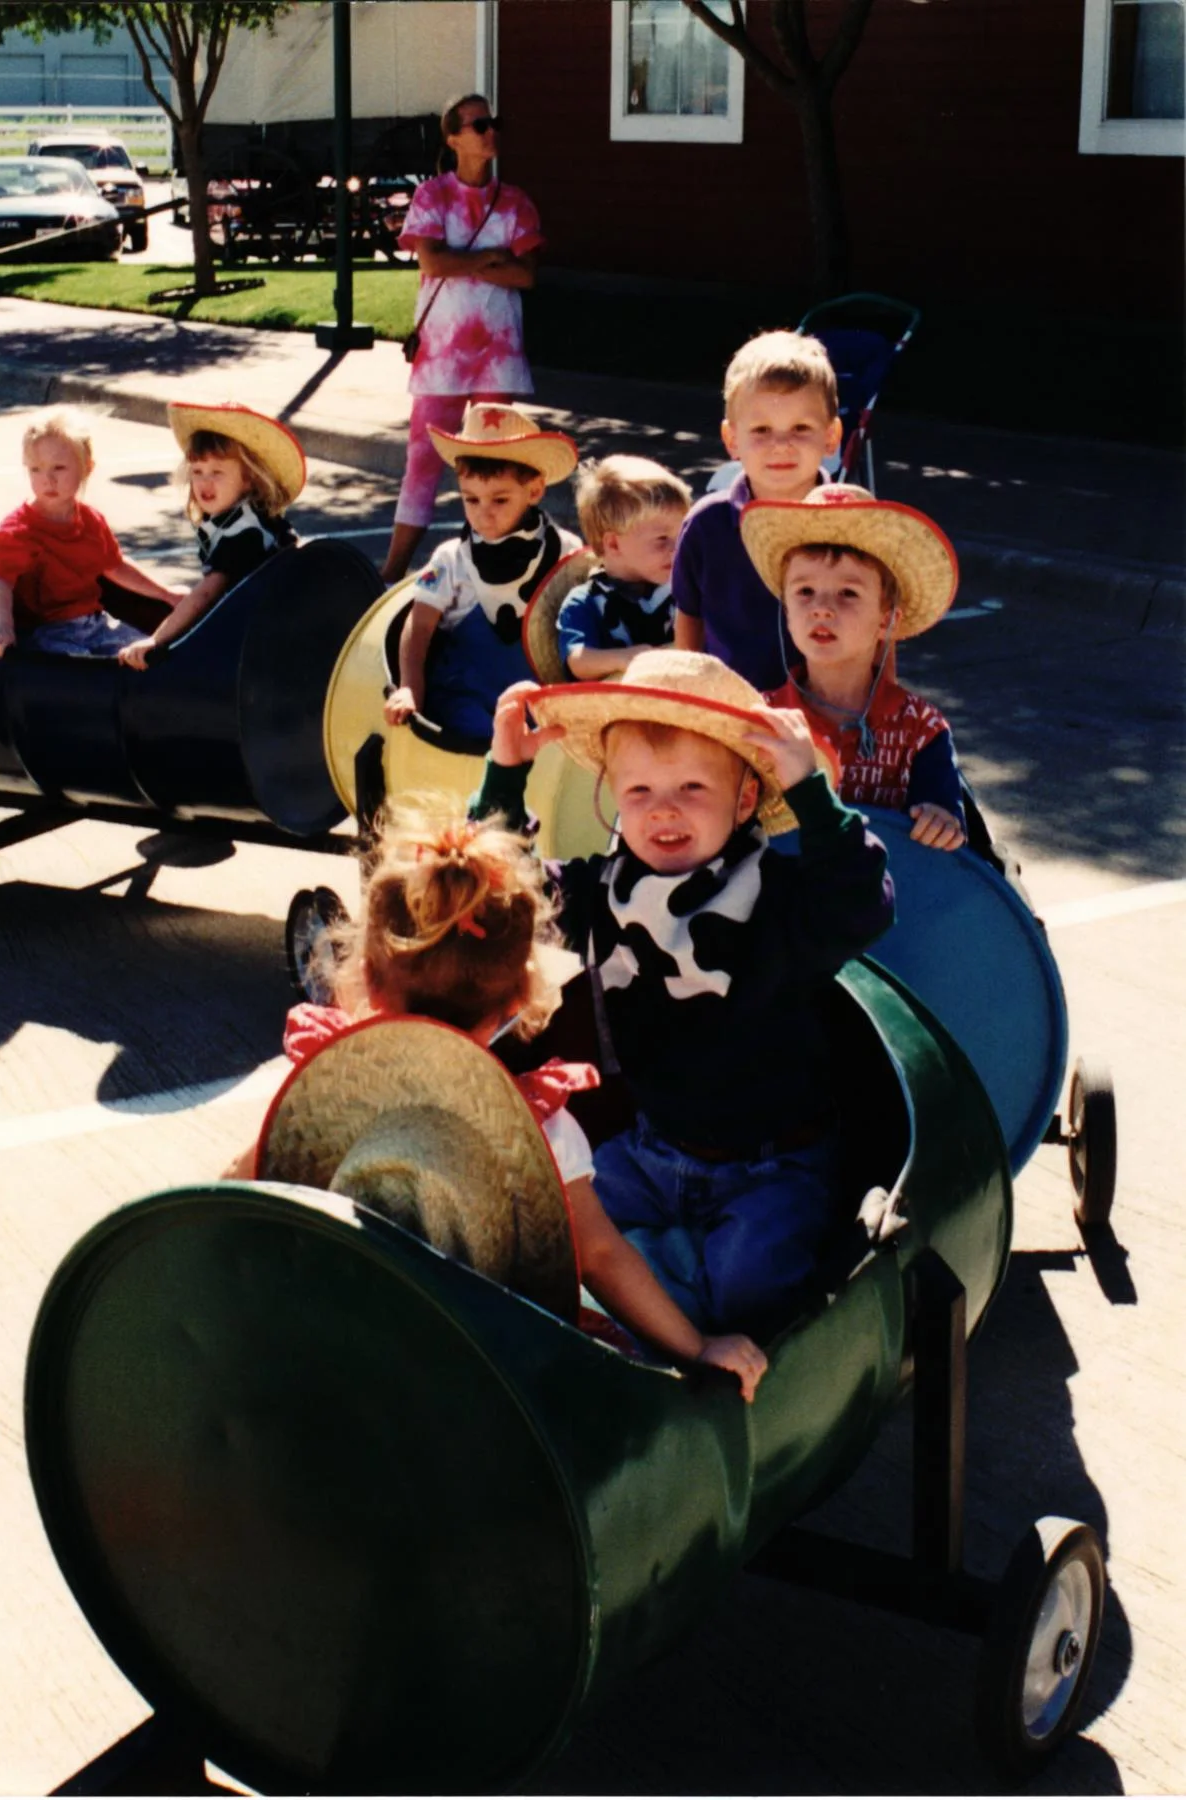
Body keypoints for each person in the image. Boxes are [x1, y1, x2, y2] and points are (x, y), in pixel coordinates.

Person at [225, 793, 767, 1401]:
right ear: (518, 998)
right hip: (479, 1384)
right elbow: (599, 1254)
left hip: (337, 1353)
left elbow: (234, 1188)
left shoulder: (322, 1093)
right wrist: (696, 1346)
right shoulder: (537, 1130)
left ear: (369, 977)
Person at [474, 649, 894, 1341]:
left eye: (693, 788)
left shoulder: (779, 898)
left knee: (749, 1291)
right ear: (613, 796)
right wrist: (505, 772)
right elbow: (500, 894)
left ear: (745, 799)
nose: (663, 810)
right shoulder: (604, 891)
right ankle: (662, 1282)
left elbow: (862, 905)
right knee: (547, 1231)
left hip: (773, 1165)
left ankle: (670, 1288)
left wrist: (812, 794)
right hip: (653, 1149)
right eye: (638, 791)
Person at [744, 485, 967, 849]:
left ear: (886, 620)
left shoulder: (922, 729)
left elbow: (948, 840)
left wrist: (941, 821)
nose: (821, 608)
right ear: (786, 611)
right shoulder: (760, 722)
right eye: (804, 592)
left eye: (848, 593)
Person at [381, 94, 544, 586]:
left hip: (497, 354)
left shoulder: (515, 201)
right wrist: (492, 258)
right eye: (478, 125)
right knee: (423, 460)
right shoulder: (432, 196)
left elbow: (526, 276)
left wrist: (465, 263)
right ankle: (392, 571)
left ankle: (491, 569)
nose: (490, 132)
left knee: (494, 465)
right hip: (441, 354)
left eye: (494, 122)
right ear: (452, 139)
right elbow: (432, 262)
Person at [383, 403, 581, 740]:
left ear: (534, 491)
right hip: (465, 698)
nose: (483, 514)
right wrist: (410, 687)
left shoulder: (565, 550)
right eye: (471, 500)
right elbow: (419, 625)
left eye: (500, 500)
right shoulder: (451, 558)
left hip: (537, 697)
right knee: (489, 740)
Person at [672, 329, 841, 691]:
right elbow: (689, 618)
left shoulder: (853, 524)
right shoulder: (706, 526)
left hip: (830, 710)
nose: (781, 444)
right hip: (732, 708)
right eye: (761, 430)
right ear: (732, 439)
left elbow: (881, 628)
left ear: (831, 436)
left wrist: (882, 705)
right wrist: (687, 698)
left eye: (801, 428)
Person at [118, 401, 303, 671]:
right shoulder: (240, 514)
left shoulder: (245, 529)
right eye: (197, 471)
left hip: (266, 631)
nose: (205, 482)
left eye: (217, 472)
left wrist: (156, 640)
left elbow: (207, 593)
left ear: (249, 478)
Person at [0, 408, 180, 659]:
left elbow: (115, 566)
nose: (47, 479)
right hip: (48, 631)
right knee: (81, 669)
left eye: (59, 468)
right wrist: (2, 626)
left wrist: (166, 594)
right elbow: (1, 583)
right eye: (35, 469)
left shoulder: (91, 520)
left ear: (86, 468)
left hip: (96, 623)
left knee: (145, 654)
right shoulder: (18, 532)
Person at [556, 455, 692, 680]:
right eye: (662, 539)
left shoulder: (682, 588)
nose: (676, 549)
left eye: (681, 536)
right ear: (613, 544)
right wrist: (623, 658)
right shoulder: (586, 601)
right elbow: (578, 659)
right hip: (620, 699)